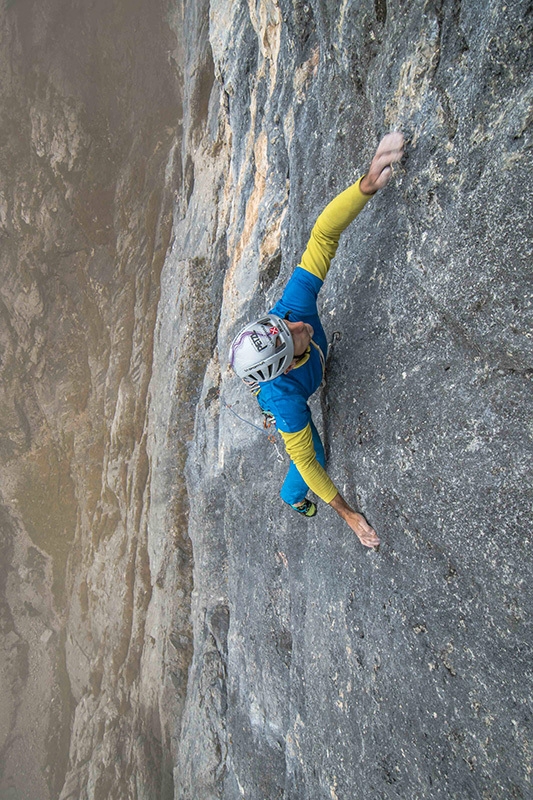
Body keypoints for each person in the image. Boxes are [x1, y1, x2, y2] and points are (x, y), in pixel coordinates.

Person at [229, 133, 405, 548]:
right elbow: (307, 461)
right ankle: (291, 500)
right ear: (287, 367)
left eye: (283, 327)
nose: (298, 327)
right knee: (313, 459)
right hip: (289, 403)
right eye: (291, 339)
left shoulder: (291, 310)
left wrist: (364, 186)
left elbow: (322, 236)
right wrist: (347, 514)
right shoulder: (286, 400)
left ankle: (295, 497)